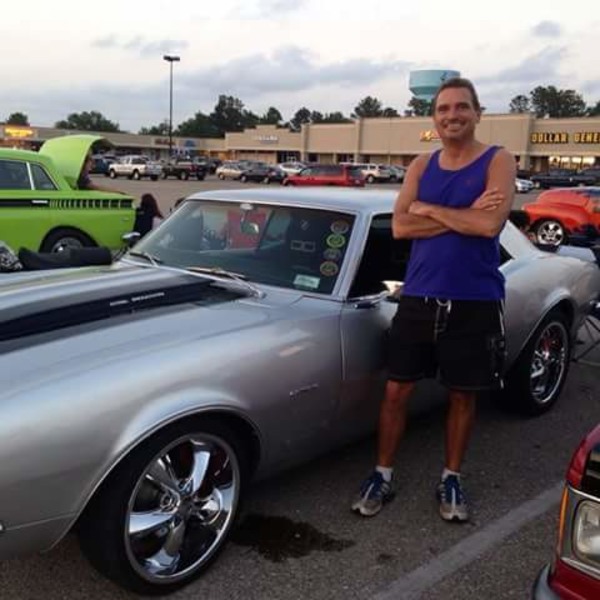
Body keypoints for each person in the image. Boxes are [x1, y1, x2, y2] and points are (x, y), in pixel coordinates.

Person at [352, 77, 516, 522]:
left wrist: (428, 210)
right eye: (443, 109)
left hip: (474, 299)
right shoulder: (421, 165)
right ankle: (382, 474)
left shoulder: (499, 160)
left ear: (478, 113)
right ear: (434, 118)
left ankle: (451, 477)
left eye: (461, 107)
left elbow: (489, 226)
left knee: (462, 396)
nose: (452, 115)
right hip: (420, 296)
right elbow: (400, 226)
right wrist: (465, 214)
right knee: (396, 391)